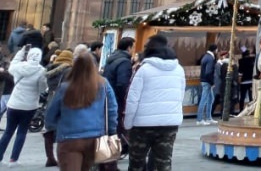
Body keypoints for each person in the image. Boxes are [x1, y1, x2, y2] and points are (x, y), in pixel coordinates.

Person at [44, 53, 117, 171]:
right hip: (95, 137)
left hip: (69, 137)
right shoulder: (103, 84)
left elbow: (51, 112)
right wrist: (112, 129)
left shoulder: (65, 87)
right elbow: (112, 109)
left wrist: (51, 126)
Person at [124, 34, 185, 171]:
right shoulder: (179, 70)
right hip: (169, 124)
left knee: (136, 163)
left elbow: (133, 99)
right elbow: (180, 96)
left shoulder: (144, 70)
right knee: (164, 163)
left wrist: (128, 123)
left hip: (142, 126)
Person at [0, 42, 46, 163]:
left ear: (29, 56)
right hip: (29, 106)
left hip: (14, 104)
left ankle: (0, 155)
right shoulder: (41, 71)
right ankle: (13, 159)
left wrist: (22, 51)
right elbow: (42, 89)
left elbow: (13, 63)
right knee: (22, 132)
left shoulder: (19, 67)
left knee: (8, 131)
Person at [100, 36, 133, 165]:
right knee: (117, 126)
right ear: (129, 47)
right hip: (117, 98)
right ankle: (114, 152)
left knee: (111, 124)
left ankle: (110, 151)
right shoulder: (124, 62)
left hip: (108, 96)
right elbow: (122, 83)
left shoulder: (112, 59)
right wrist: (124, 99)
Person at [41, 49, 73, 168]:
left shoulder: (50, 68)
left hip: (51, 99)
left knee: (49, 130)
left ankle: (50, 158)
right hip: (63, 100)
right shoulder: (68, 70)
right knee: (63, 129)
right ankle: (62, 158)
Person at [196, 45, 217, 126]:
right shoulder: (210, 58)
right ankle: (200, 119)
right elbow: (208, 72)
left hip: (204, 80)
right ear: (215, 50)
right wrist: (212, 82)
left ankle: (208, 117)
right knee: (204, 100)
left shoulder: (205, 57)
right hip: (207, 81)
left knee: (210, 98)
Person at [237, 48, 254, 113]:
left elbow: (240, 72)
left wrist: (239, 81)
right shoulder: (252, 60)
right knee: (251, 97)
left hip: (243, 81)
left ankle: (241, 110)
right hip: (251, 81)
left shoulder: (241, 61)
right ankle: (251, 110)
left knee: (242, 97)